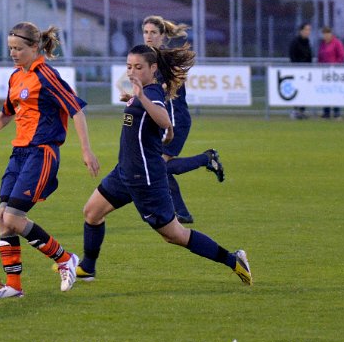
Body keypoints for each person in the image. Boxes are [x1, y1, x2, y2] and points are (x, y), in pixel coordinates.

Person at [75, 44, 252, 287]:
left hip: (146, 179)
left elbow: (164, 118)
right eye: (129, 66)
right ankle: (88, 267)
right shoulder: (143, 92)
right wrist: (148, 113)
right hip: (125, 172)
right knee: (92, 212)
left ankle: (234, 260)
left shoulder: (151, 93)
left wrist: (141, 99)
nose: (132, 72)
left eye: (138, 67)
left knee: (175, 235)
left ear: (153, 68)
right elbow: (163, 127)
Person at [0, 22, 100, 299]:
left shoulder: (46, 75)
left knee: (13, 218)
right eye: (10, 49)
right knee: (3, 219)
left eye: (18, 49)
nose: (14, 54)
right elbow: (7, 112)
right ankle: (14, 287)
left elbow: (76, 110)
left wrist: (86, 150)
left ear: (34, 47)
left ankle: (65, 259)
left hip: (42, 153)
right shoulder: (16, 77)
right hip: (19, 154)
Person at [141, 16, 224, 224]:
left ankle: (207, 159)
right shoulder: (148, 59)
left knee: (160, 167)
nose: (148, 36)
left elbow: (170, 88)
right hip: (162, 121)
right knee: (159, 167)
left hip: (175, 119)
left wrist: (163, 87)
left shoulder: (165, 60)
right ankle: (182, 213)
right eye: (146, 32)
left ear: (162, 36)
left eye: (153, 33)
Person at [317, 26, 344, 119]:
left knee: (335, 92)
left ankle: (337, 112)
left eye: (327, 34)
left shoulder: (337, 43)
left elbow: (341, 56)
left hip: (334, 72)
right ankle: (326, 112)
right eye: (324, 34)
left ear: (331, 34)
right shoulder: (322, 44)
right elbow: (320, 57)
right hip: (324, 72)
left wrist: (335, 66)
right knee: (325, 92)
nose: (326, 36)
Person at [288, 22, 313, 120]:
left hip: (306, 72)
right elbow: (292, 56)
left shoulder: (307, 42)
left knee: (305, 92)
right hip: (297, 71)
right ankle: (295, 111)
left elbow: (309, 56)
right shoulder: (295, 42)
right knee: (297, 91)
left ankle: (302, 111)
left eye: (309, 30)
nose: (308, 32)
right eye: (306, 29)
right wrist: (299, 66)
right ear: (301, 31)